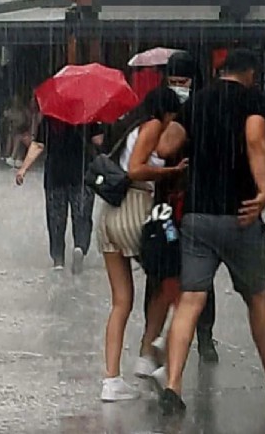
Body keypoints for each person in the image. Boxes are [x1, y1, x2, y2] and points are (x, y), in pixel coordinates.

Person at [155, 48, 265, 414]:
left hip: (197, 216)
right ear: (251, 73)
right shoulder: (250, 100)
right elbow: (256, 139)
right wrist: (263, 189)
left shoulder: (197, 101)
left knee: (191, 299)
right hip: (239, 215)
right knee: (256, 295)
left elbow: (165, 146)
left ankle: (174, 387)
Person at [97, 86, 187, 402]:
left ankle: (111, 381)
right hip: (135, 208)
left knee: (121, 301)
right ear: (166, 111)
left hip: (108, 216)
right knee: (173, 278)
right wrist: (172, 171)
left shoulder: (127, 127)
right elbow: (136, 169)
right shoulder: (151, 126)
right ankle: (155, 350)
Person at [142, 52, 219, 365]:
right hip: (164, 201)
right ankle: (154, 334)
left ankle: (204, 335)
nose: (178, 88)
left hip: (196, 200)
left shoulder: (203, 108)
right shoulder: (159, 105)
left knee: (199, 273)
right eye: (172, 82)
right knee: (161, 266)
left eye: (182, 82)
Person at [16, 116, 103, 271]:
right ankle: (80, 247)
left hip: (55, 174)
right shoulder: (87, 115)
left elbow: (38, 145)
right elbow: (99, 141)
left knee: (56, 218)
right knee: (82, 215)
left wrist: (23, 169)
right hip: (82, 174)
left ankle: (58, 260)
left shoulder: (50, 119)